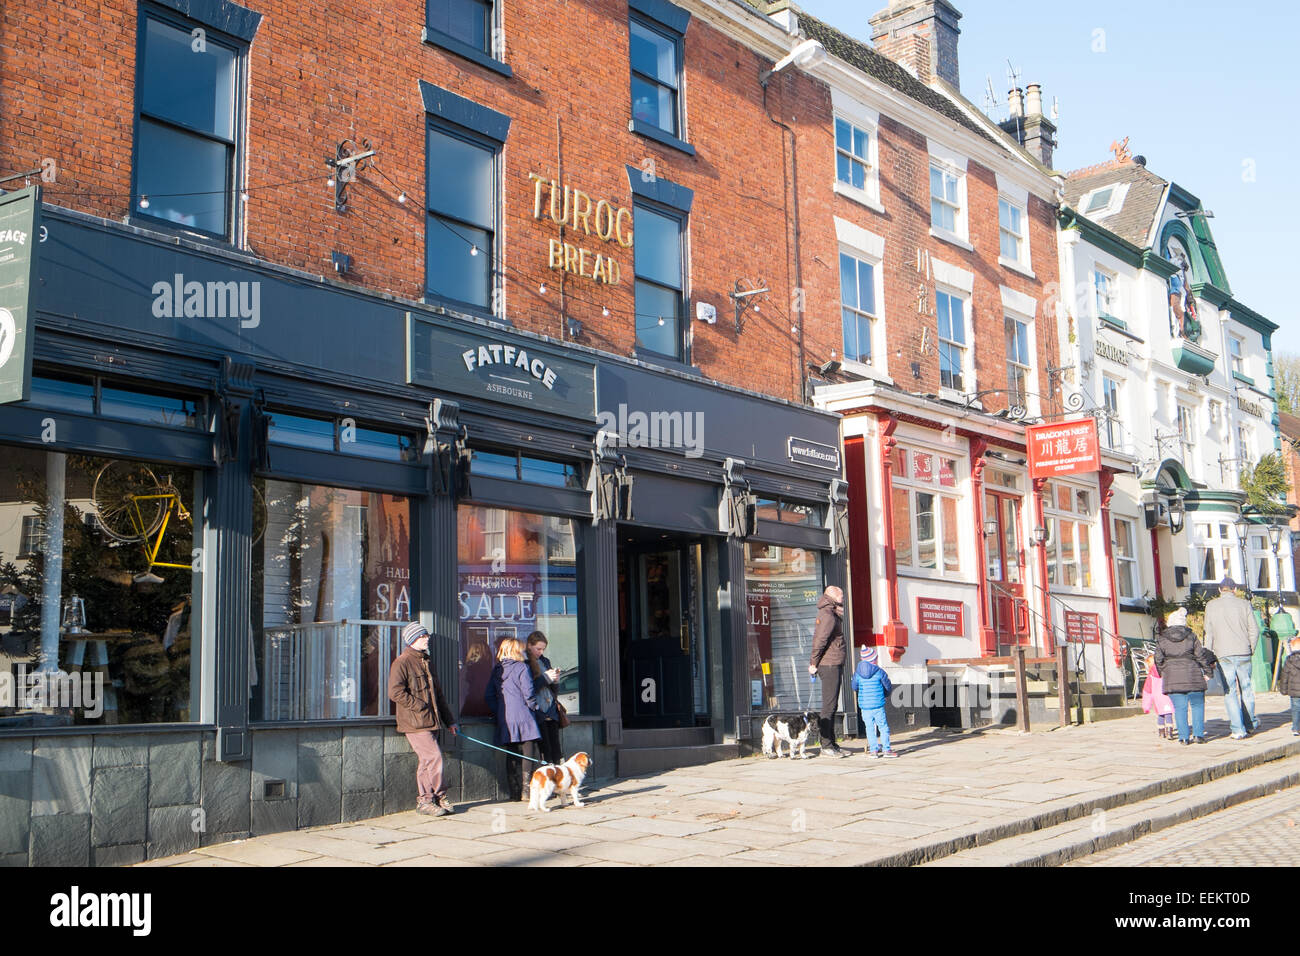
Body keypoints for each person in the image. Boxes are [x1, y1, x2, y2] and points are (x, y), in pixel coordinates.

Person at [387, 621, 458, 816]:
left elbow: (439, 695)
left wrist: (449, 721)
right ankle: (438, 796)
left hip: (431, 720)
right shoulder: (402, 662)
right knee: (434, 758)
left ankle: (427, 801)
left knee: (427, 762)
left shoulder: (426, 662)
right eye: (422, 636)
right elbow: (395, 692)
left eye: (426, 636)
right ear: (412, 640)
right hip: (415, 722)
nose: (427, 639)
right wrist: (419, 706)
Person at [1202, 576, 1260, 740]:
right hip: (1243, 652)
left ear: (1220, 590)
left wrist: (1209, 655)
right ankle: (1249, 724)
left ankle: (1237, 729)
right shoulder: (1244, 604)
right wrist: (1251, 648)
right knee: (1247, 689)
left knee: (1230, 692)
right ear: (1234, 589)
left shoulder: (1211, 606)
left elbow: (1209, 633)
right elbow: (1254, 631)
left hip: (1223, 654)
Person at [484, 637, 541, 800]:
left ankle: (514, 792)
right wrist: (535, 708)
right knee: (528, 753)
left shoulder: (497, 670)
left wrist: (500, 711)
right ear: (516, 651)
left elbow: (488, 695)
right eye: (521, 649)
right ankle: (526, 791)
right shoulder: (522, 667)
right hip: (524, 716)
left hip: (506, 718)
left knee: (512, 754)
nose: (523, 652)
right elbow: (528, 694)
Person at [1154, 607, 1216, 745]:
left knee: (1180, 708)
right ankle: (1199, 735)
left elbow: (1158, 659)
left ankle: (1183, 737)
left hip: (1173, 678)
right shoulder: (1191, 636)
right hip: (1193, 674)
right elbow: (1200, 656)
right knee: (1197, 705)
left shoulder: (1162, 639)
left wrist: (1163, 673)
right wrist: (1208, 672)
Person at [808, 585, 850, 757]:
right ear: (832, 596)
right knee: (829, 706)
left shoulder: (832, 613)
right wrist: (813, 663)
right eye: (840, 594)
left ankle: (832, 743)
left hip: (833, 663)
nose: (843, 596)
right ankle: (825, 745)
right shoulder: (828, 615)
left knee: (832, 705)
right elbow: (820, 640)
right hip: (829, 665)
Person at [526, 630, 564, 765]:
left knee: (556, 748)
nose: (541, 652)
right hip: (538, 709)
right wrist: (546, 677)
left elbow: (554, 691)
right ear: (529, 645)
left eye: (543, 649)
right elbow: (528, 688)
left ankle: (558, 779)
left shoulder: (545, 661)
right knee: (545, 749)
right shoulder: (525, 662)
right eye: (538, 648)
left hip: (551, 709)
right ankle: (548, 779)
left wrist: (555, 680)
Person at [851, 646, 896, 758]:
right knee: (883, 727)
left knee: (869, 728)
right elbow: (888, 686)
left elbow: (854, 687)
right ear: (873, 660)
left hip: (865, 706)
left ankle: (873, 751)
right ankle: (886, 750)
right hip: (878, 705)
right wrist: (885, 695)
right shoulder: (879, 672)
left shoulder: (857, 673)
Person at [1141, 651, 1175, 740]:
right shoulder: (1167, 672)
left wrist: (1146, 706)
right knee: (1168, 714)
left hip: (1157, 699)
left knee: (1160, 714)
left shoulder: (1150, 676)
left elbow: (1147, 691)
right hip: (1167, 696)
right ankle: (1169, 732)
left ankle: (1161, 732)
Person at [1276, 636, 1300, 737]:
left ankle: (1295, 728)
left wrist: (1283, 689)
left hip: (1294, 691)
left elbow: (1284, 676)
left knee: (1295, 708)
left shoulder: (1289, 660)